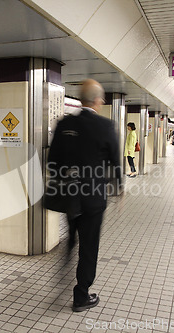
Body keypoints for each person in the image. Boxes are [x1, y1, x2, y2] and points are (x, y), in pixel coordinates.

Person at [47, 79, 121, 312]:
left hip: (69, 196)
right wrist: (118, 186)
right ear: (98, 101)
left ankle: (69, 251)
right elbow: (115, 163)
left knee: (74, 233)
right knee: (89, 247)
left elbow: (52, 163)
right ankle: (81, 296)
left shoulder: (64, 124)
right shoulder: (106, 126)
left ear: (81, 100)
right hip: (93, 198)